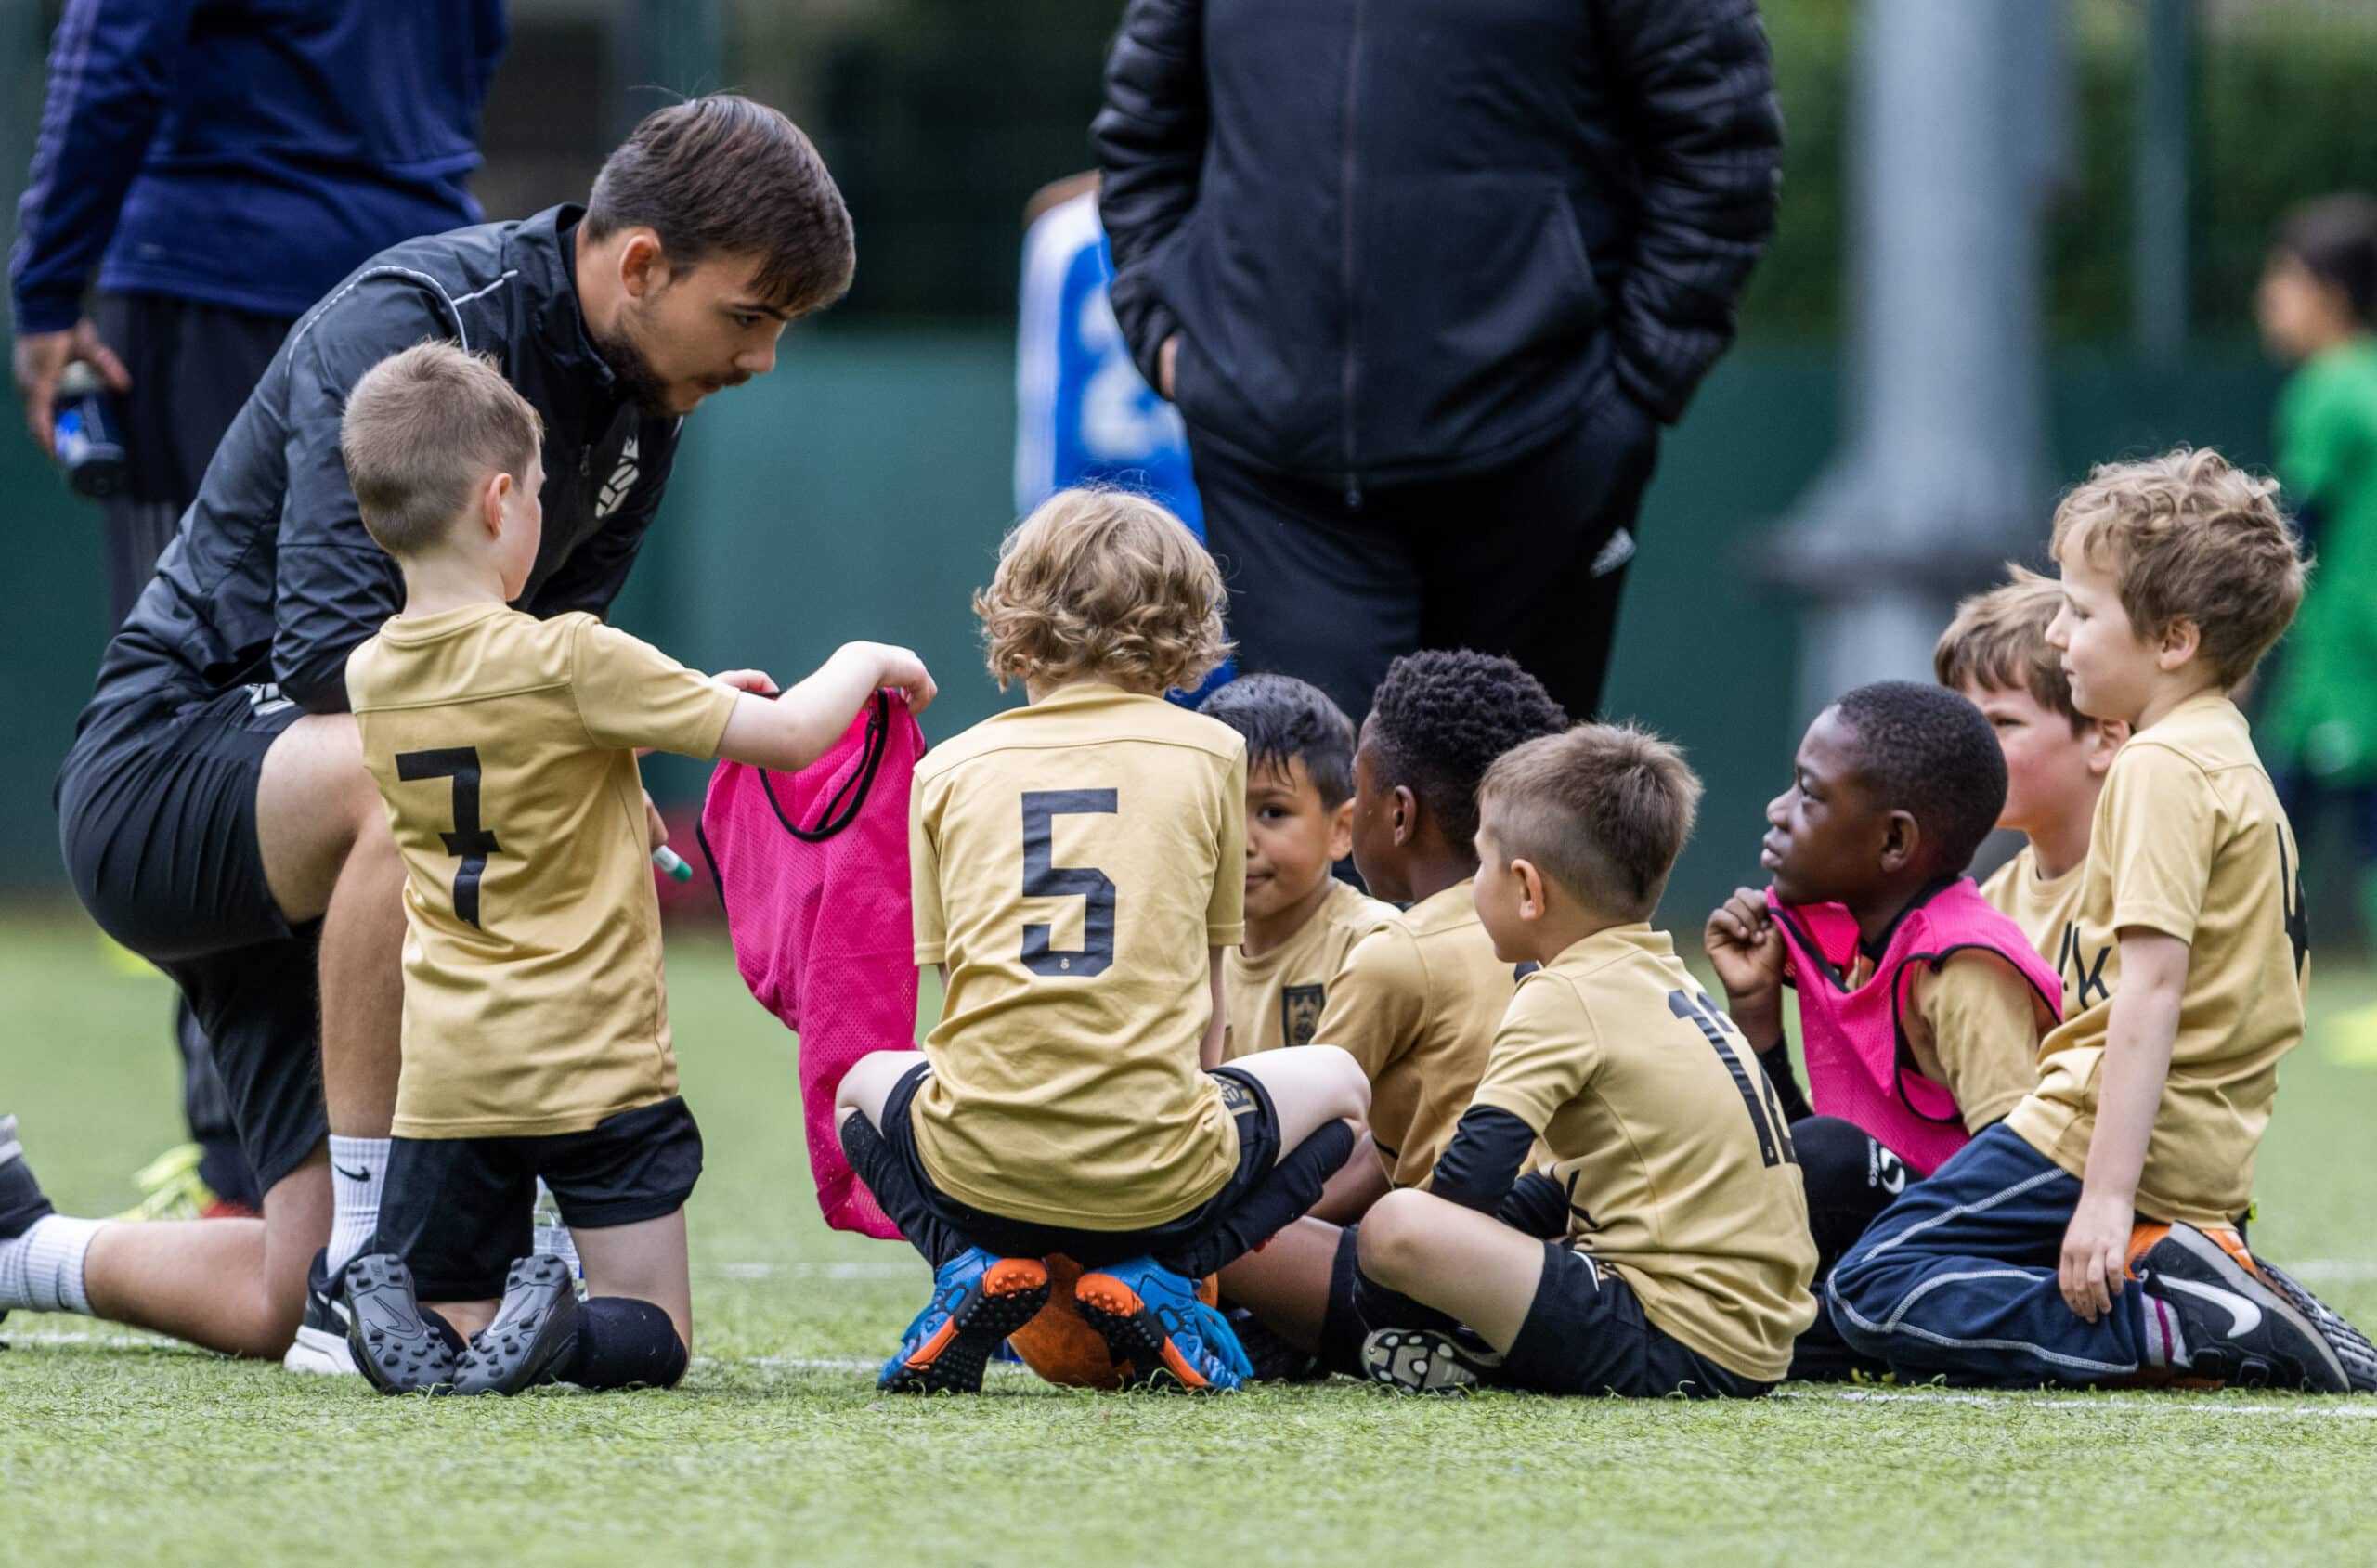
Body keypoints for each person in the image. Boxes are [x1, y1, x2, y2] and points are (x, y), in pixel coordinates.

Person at [14, 96, 855, 1373]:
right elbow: (328, 662)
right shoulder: (413, 323)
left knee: (267, 1294)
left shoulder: (647, 398)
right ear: (640, 265)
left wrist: (621, 740)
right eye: (749, 316)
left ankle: (24, 1248)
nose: (763, 360)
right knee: (398, 769)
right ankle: (376, 1263)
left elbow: (539, 669)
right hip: (166, 771)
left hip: (327, 831)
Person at [319, 343, 935, 1394]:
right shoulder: (570, 656)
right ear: (500, 500)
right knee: (652, 1333)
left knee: (458, 1345)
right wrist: (868, 662)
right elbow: (787, 735)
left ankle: (412, 1311)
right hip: (592, 1066)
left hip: (448, 1080)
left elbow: (516, 758)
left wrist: (659, 713)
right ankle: (558, 1327)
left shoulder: (371, 676)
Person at [10, 0, 507, 1229]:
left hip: (215, 276)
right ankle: (420, 1165)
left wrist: (45, 290)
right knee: (409, 721)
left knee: (205, 735)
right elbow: (478, 42)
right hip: (418, 280)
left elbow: (110, 56)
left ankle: (247, 1171)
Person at [1829, 448, 2367, 1393]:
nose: (2063, 638)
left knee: (1873, 1286)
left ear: (2172, 641)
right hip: (2189, 1147)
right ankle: (2204, 1295)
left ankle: (2173, 1322)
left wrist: (2107, 1198)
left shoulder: (2160, 770)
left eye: (2082, 613)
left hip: (2098, 1139)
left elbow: (2150, 996)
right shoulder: (2221, 755)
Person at [1092, 0, 1782, 724]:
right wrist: (1169, 339)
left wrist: (1633, 388)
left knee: (1518, 822)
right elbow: (1141, 133)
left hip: (1538, 458)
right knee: (1327, 822)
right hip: (1279, 479)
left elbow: (1723, 141)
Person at [834, 488, 1371, 1395]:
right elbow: (1205, 1007)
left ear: (1015, 612)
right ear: (1182, 625)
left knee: (856, 1090)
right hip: (1159, 1175)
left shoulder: (945, 770)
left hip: (975, 1167)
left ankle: (962, 1264)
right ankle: (1164, 1271)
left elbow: (947, 1014)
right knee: (1346, 1094)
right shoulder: (1210, 756)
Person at [1353, 723, 1817, 1396]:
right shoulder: (1665, 976)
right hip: (1753, 1342)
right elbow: (1547, 1187)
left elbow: (1467, 1183)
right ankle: (1477, 1347)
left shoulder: (1561, 992)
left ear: (1527, 889)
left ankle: (1455, 1340)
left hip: (1671, 1337)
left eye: (1480, 864)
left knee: (1396, 1227)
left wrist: (1391, 1285)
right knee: (1516, 1210)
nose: (1473, 883)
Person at [1208, 650, 1567, 1374]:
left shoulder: (1394, 944)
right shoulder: (1566, 929)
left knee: (1190, 1225)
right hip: (1574, 1272)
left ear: (1388, 814)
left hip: (1447, 1271)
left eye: (1363, 791)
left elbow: (1333, 1144)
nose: (1243, 839)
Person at [1703, 681, 2061, 1377]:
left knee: (1832, 1155)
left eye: (1809, 794)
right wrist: (1755, 1015)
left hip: (1976, 1263)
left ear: (1894, 840)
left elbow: (2026, 1189)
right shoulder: (1835, 933)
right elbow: (1793, 1166)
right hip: (1881, 1246)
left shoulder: (1960, 968)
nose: (1776, 812)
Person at [2254, 194, 2377, 946]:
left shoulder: (2328, 388)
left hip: (2346, 656)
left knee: (2268, 824)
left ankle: (2221, 987)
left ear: (2328, 299)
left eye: (2283, 279)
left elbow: (2294, 530)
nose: (2267, 297)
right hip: (2348, 654)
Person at [1196, 675, 1396, 1061]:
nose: (1241, 843)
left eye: (1272, 812)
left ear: (1341, 829)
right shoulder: (1187, 950)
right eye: (1220, 811)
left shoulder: (1371, 946)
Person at [1933, 570, 2129, 962]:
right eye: (1965, 722)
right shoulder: (1991, 913)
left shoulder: (2161, 882)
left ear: (2105, 739)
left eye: (2004, 723)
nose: (1969, 746)